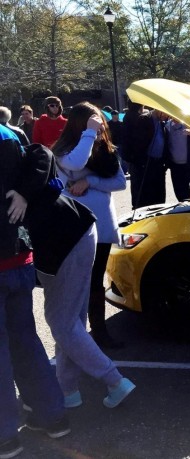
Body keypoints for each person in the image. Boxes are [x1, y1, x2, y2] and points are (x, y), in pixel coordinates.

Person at [6, 139, 135, 412]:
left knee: (62, 322)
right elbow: (41, 154)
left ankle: (114, 380)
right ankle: (68, 389)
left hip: (68, 242)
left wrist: (23, 193)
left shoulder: (23, 170)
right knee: (70, 321)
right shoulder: (22, 166)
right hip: (77, 234)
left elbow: (42, 152)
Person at [1, 124, 70, 459]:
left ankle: (5, 437)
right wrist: (26, 191)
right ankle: (51, 414)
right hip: (18, 258)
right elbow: (41, 153)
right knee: (25, 339)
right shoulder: (9, 134)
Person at [51, 102, 127, 349]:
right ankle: (74, 335)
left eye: (99, 121)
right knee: (76, 284)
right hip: (76, 228)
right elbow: (74, 163)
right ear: (81, 123)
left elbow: (119, 182)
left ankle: (100, 333)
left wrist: (89, 181)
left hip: (102, 225)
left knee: (96, 282)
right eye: (93, 120)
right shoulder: (64, 150)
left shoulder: (103, 148)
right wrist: (89, 134)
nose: (99, 124)